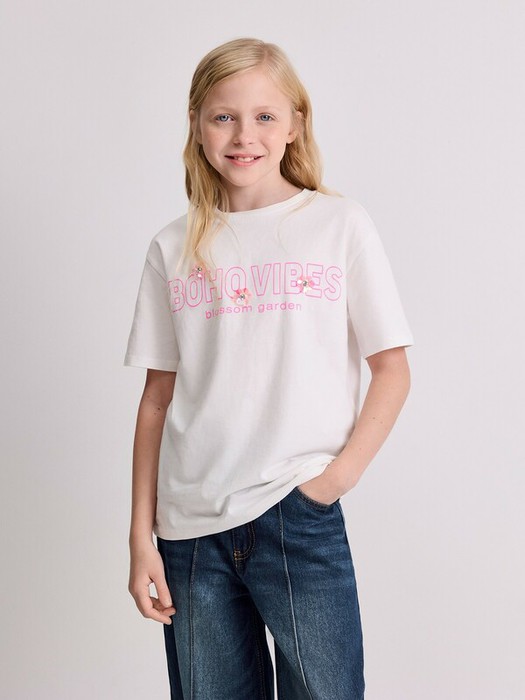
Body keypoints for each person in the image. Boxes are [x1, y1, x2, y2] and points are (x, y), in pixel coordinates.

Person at [124, 37, 414, 700]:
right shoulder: (173, 246)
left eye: (263, 116)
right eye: (223, 117)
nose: (242, 136)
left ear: (294, 125)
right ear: (196, 125)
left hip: (297, 513)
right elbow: (155, 400)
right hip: (189, 533)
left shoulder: (338, 225)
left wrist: (330, 482)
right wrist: (141, 536)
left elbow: (392, 369)